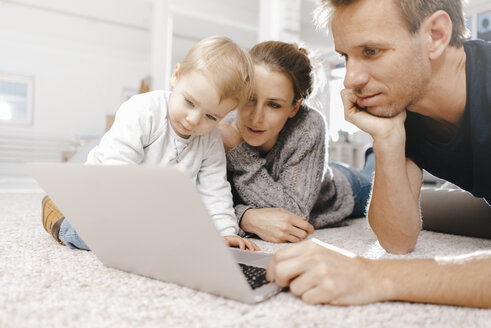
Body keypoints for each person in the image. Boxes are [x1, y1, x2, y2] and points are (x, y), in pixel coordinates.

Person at [266, 0, 491, 308]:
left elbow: (389, 261)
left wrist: (373, 275)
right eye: (346, 56)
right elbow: (397, 240)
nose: (350, 80)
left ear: (436, 35)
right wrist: (387, 139)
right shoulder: (406, 107)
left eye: (371, 52)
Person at [42, 36, 258, 251]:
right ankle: (60, 218)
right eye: (189, 102)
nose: (193, 120)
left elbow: (215, 188)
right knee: (107, 240)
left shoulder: (210, 139)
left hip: (150, 210)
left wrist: (225, 232)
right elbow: (117, 168)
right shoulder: (143, 110)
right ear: (176, 75)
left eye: (211, 117)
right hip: (101, 193)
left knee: (181, 240)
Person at [219, 40, 375, 244]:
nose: (256, 118)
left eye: (273, 105)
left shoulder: (308, 126)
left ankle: (373, 153)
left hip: (342, 188)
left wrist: (239, 154)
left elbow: (293, 213)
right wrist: (246, 217)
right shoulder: (223, 124)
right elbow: (199, 199)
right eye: (249, 98)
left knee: (376, 177)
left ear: (294, 107)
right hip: (309, 170)